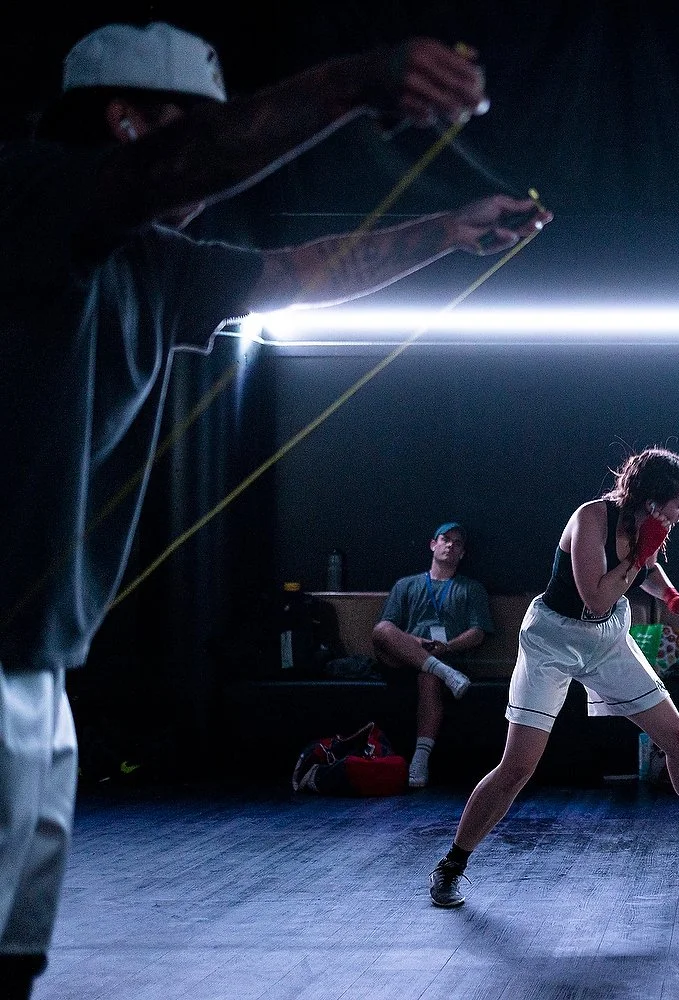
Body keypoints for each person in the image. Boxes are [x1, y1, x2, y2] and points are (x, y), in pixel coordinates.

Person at [0, 21, 549, 996]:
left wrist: (447, 231)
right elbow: (180, 168)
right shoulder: (34, 193)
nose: (227, 168)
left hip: (40, 656)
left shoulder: (156, 267)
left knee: (16, 939)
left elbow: (304, 273)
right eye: (196, 136)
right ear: (126, 125)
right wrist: (357, 78)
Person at [427, 448, 679, 907]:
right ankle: (452, 864)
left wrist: (671, 595)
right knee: (518, 766)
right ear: (654, 500)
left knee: (678, 738)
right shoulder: (592, 519)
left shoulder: (646, 527)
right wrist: (641, 555)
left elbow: (644, 573)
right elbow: (595, 596)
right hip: (551, 641)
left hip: (608, 639)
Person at [372, 522, 495, 788]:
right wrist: (415, 641)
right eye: (445, 539)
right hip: (405, 656)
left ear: (462, 553)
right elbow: (388, 627)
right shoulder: (406, 585)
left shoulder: (471, 589)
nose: (450, 545)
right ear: (433, 544)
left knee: (429, 678)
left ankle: (420, 757)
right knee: (382, 630)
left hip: (446, 655)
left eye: (457, 543)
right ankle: (444, 672)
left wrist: (448, 647)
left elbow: (478, 632)